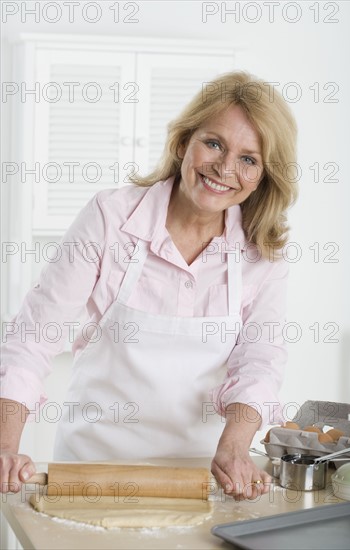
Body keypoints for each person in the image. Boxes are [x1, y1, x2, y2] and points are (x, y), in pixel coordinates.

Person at [0, 71, 297, 500]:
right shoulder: (110, 217)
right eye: (213, 143)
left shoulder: (261, 252)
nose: (225, 168)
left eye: (248, 159)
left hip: (202, 482)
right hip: (92, 473)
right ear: (183, 143)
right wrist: (6, 446)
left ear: (263, 176)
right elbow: (32, 338)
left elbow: (260, 360)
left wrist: (234, 447)